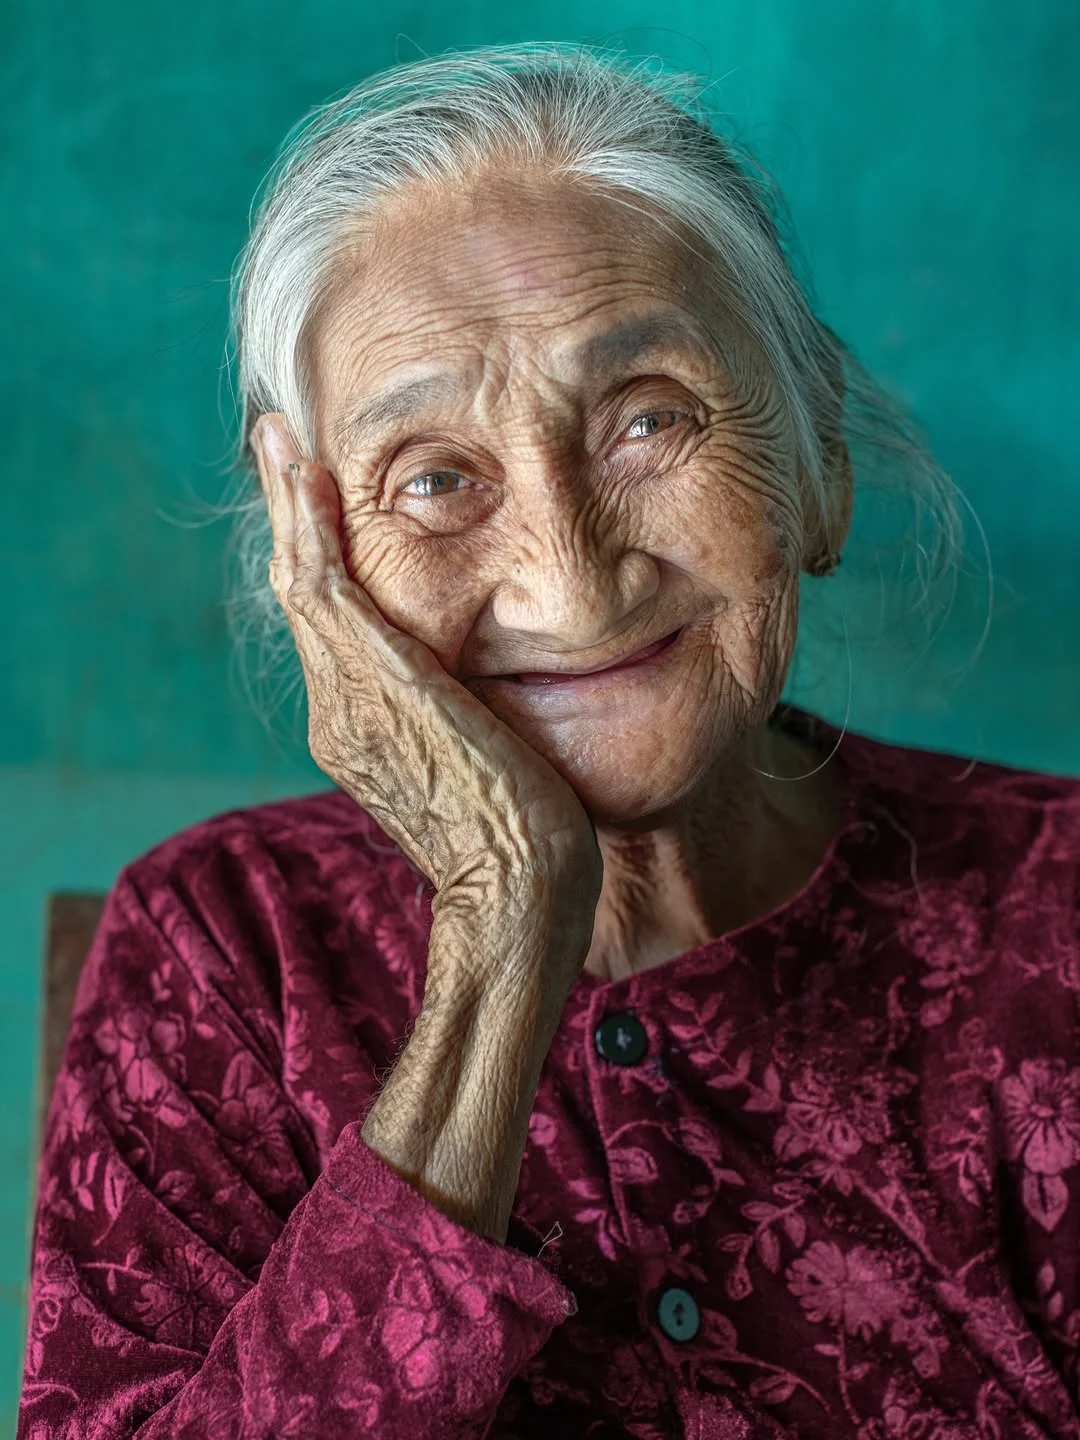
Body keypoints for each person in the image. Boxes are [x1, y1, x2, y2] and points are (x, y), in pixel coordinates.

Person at [19, 41, 1080, 1440]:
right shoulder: (223, 949)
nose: (570, 587)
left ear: (815, 455)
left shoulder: (1054, 913)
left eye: (650, 419)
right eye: (438, 479)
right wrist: (508, 915)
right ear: (313, 550)